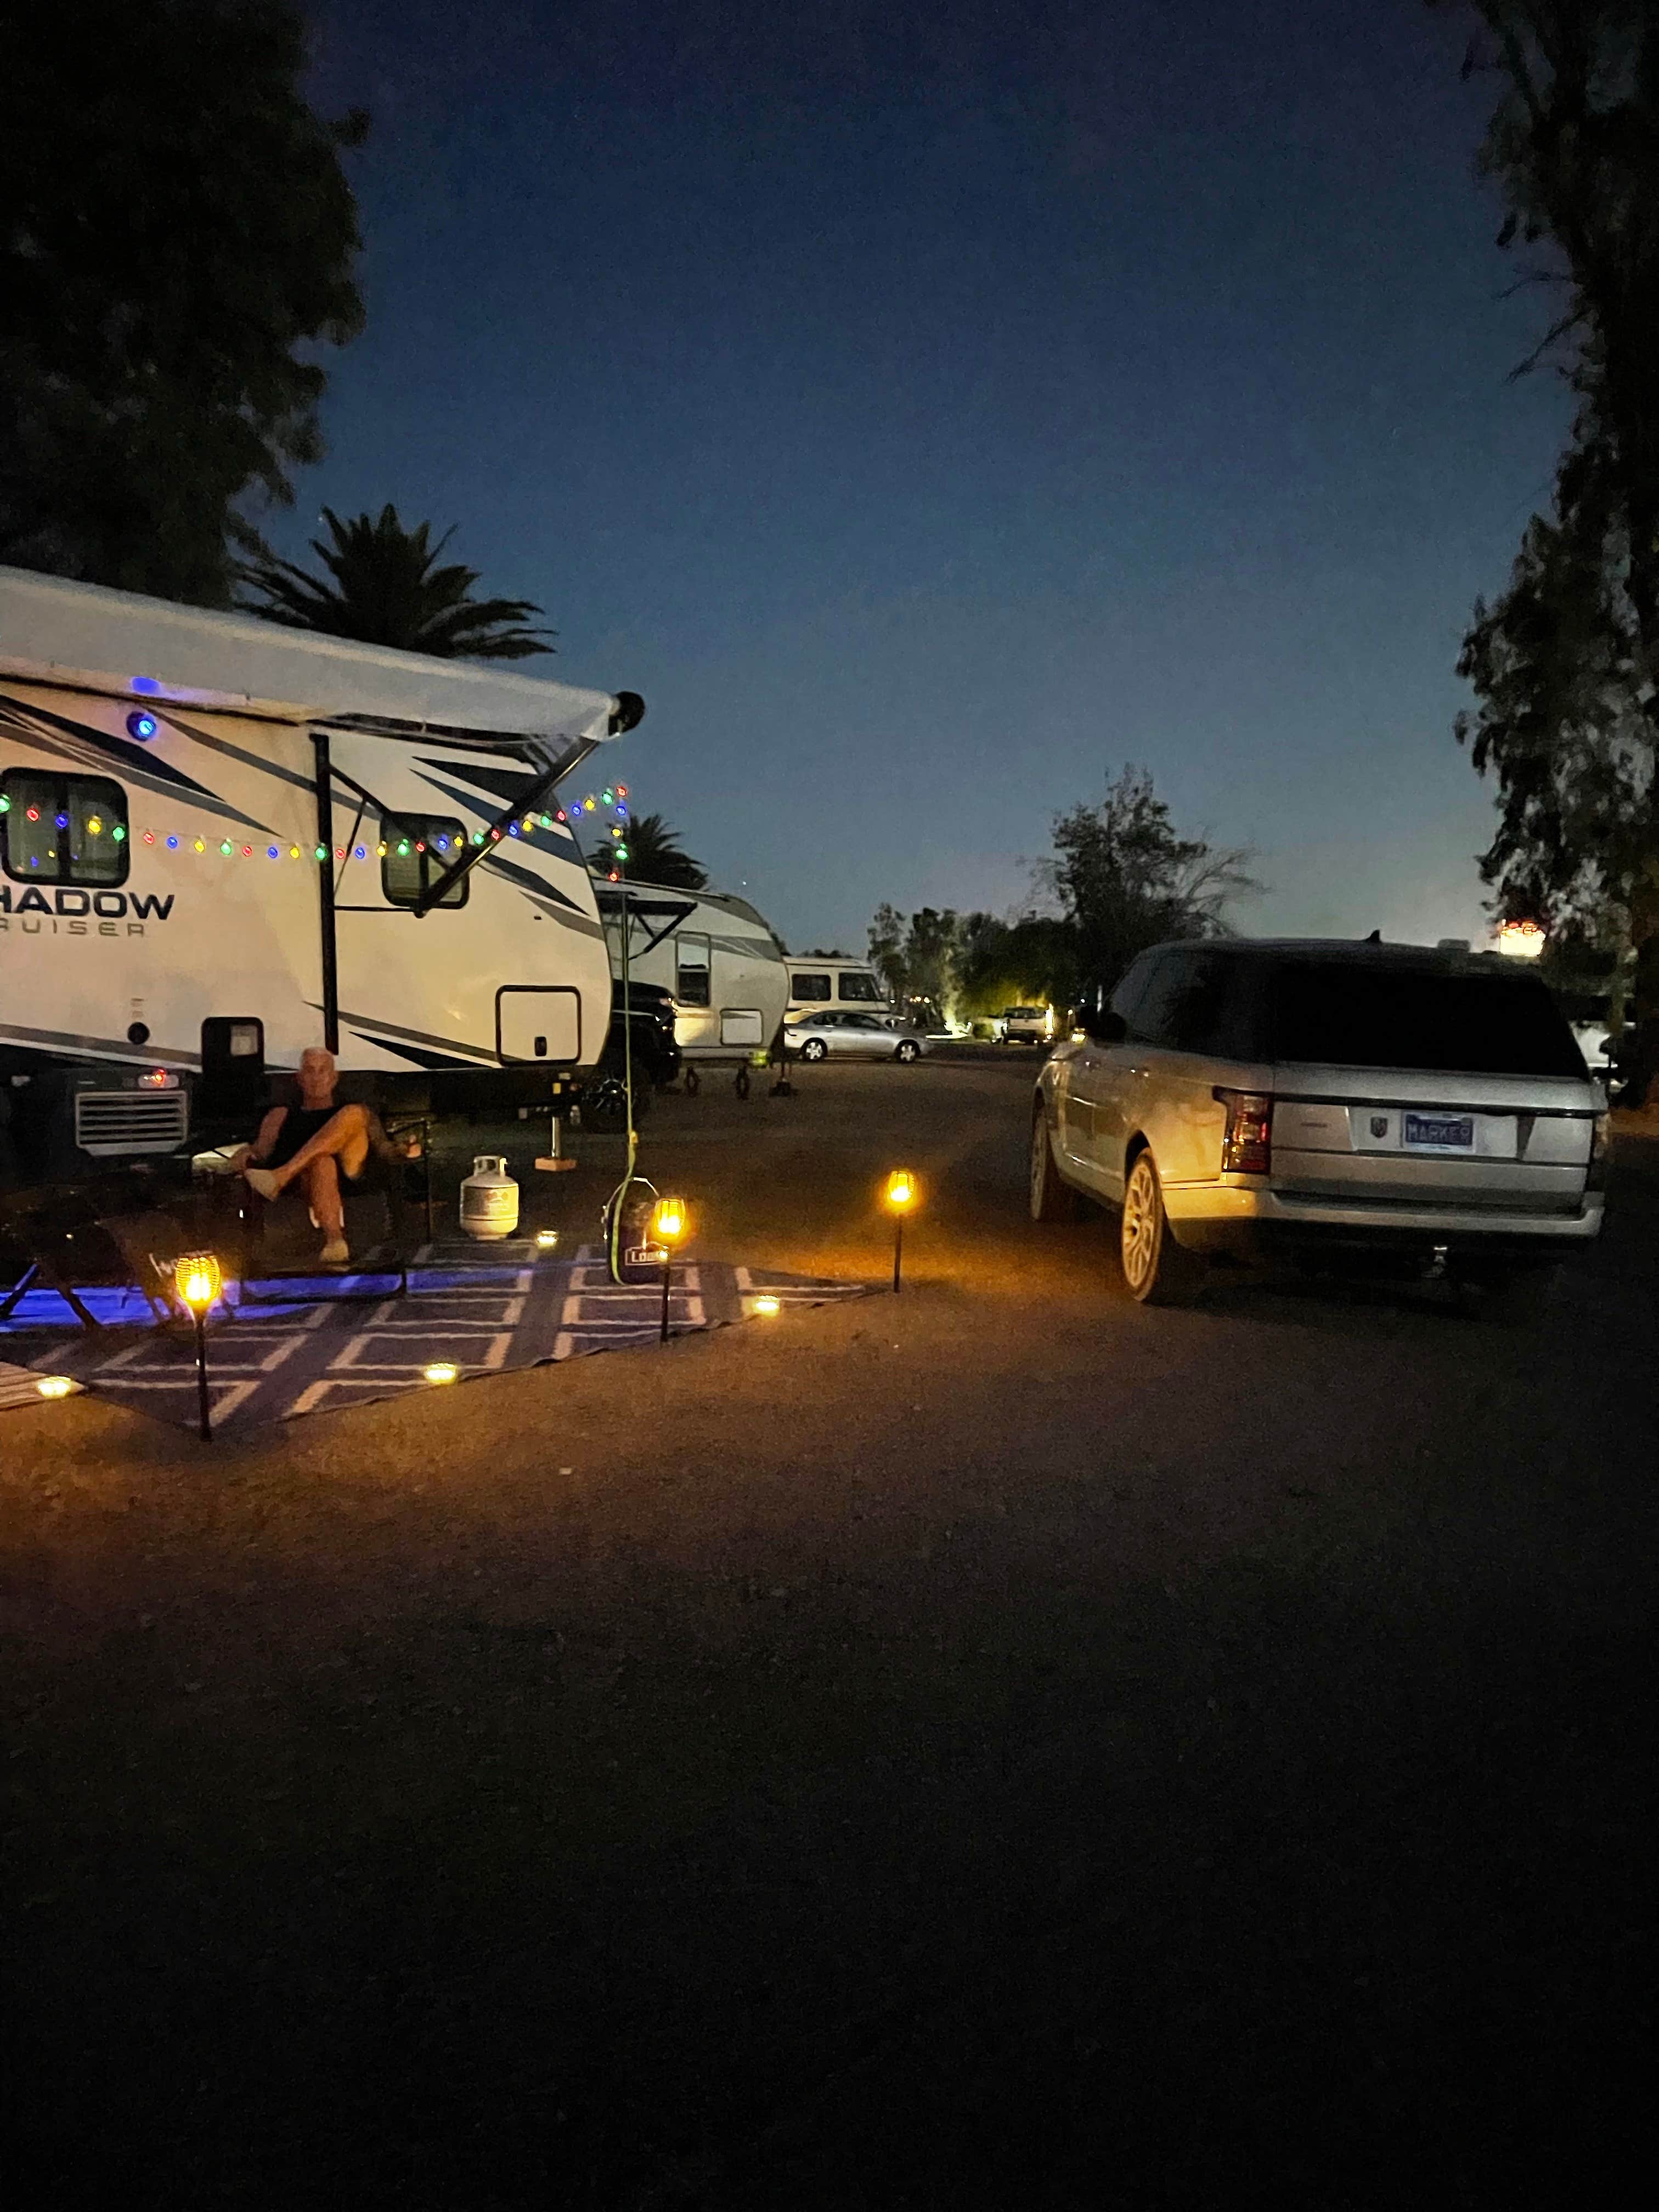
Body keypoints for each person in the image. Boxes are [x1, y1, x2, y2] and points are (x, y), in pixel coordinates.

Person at [230, 1047, 421, 1266]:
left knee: (354, 1114)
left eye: (323, 1070)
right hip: (305, 1182)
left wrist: (404, 1151)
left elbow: (384, 1148)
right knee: (323, 1162)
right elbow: (260, 1150)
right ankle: (335, 1242)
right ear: (300, 1079)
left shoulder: (359, 1112)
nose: (317, 1077)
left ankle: (281, 1175)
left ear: (334, 1077)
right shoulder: (280, 1115)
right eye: (310, 1071)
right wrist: (245, 1153)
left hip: (351, 1171)